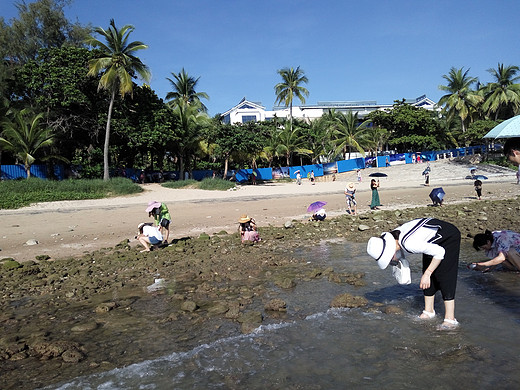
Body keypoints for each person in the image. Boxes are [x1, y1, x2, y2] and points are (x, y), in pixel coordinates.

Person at [367, 218, 461, 330]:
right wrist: (426, 273)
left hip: (448, 236)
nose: (391, 261)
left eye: (389, 259)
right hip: (431, 239)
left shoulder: (409, 244)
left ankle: (450, 319)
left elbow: (440, 252)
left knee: (445, 275)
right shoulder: (395, 237)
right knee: (427, 269)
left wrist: (428, 273)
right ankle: (429, 311)